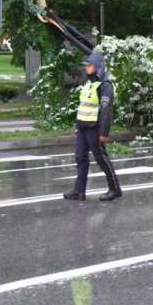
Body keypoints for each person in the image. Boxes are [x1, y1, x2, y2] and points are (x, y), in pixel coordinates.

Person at [64, 50, 122, 202]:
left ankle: (115, 189)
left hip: (94, 129)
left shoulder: (105, 86)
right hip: (83, 128)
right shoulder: (89, 84)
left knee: (101, 159)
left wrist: (104, 133)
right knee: (80, 158)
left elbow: (106, 111)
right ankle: (79, 191)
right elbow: (84, 106)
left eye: (89, 65)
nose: (86, 68)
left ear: (97, 66)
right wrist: (78, 125)